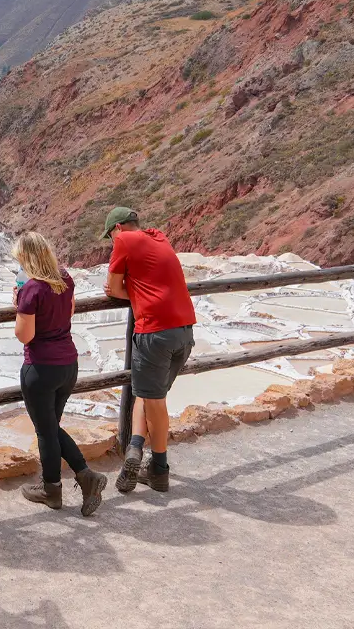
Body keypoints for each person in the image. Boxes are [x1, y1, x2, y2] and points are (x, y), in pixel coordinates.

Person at [101, 207, 197, 494]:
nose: (111, 241)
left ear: (118, 228)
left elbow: (114, 288)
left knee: (156, 402)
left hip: (154, 332)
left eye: (110, 235)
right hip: (184, 331)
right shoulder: (159, 238)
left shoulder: (124, 241)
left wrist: (132, 289)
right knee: (148, 394)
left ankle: (159, 468)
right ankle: (134, 448)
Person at [13, 232, 107, 516]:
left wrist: (19, 304)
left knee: (46, 430)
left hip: (40, 367)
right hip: (68, 364)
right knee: (51, 426)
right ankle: (75, 480)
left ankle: (56, 487)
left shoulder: (31, 289)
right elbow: (69, 312)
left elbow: (24, 334)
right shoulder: (65, 279)